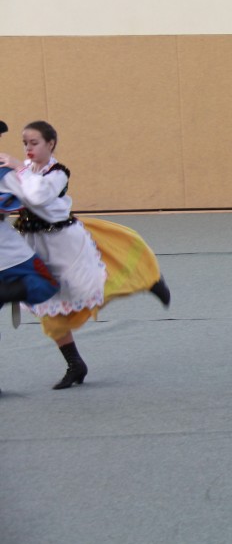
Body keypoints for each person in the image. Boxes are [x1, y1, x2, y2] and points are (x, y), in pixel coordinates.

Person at [0, 120, 171, 390]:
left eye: (34, 143)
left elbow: (38, 195)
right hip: (33, 244)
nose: (28, 148)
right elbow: (13, 197)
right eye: (25, 143)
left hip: (64, 242)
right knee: (46, 306)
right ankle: (75, 364)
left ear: (50, 144)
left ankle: (148, 281)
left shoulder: (58, 172)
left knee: (86, 288)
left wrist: (17, 169)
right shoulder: (21, 169)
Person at [0, 120, 61, 395]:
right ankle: (6, 292)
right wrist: (21, 169)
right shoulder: (4, 170)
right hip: (10, 256)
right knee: (47, 284)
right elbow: (29, 197)